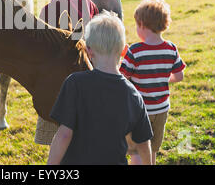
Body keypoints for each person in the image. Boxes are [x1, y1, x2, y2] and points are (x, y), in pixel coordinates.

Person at [47, 11, 153, 165]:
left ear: (88, 50)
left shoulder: (75, 83)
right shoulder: (133, 94)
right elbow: (143, 144)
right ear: (124, 50)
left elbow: (64, 135)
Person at [34, 0, 99, 146]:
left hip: (61, 82)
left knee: (59, 137)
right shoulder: (87, 0)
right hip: (88, 72)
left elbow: (43, 49)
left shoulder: (50, 9)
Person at [120, 0, 186, 165]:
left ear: (142, 24)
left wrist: (122, 58)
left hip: (141, 110)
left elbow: (122, 78)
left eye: (136, 25)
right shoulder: (171, 48)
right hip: (162, 109)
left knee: (136, 150)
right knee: (152, 150)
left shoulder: (135, 51)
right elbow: (179, 76)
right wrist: (163, 79)